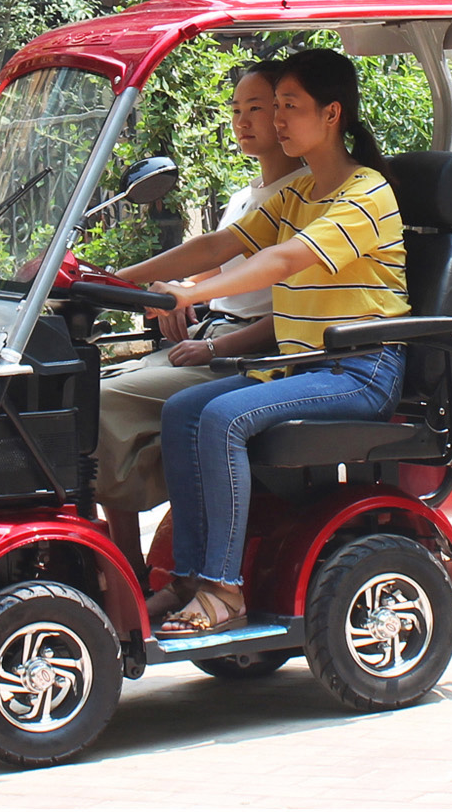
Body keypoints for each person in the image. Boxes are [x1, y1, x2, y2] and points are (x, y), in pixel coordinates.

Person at [119, 48, 411, 636]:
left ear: (331, 115)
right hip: (305, 367)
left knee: (222, 417)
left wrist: (189, 296)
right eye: (273, 106)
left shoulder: (365, 193)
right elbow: (217, 246)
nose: (277, 119)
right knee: (182, 411)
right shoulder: (296, 194)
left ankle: (223, 591)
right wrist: (113, 280)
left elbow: (282, 259)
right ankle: (187, 578)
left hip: (357, 370)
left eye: (289, 106)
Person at [94, 60, 306, 588]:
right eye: (236, 110)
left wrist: (214, 343)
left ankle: (131, 574)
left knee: (100, 405)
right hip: (212, 336)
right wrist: (145, 291)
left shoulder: (308, 196)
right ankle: (123, 561)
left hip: (253, 354)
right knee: (84, 388)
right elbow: (212, 262)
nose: (245, 121)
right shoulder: (246, 197)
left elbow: (294, 311)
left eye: (258, 108)